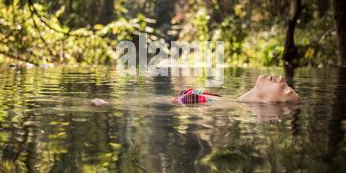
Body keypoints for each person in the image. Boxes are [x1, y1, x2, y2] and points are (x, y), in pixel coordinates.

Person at [91, 74, 300, 106]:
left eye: (287, 89)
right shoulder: (220, 100)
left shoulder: (219, 105)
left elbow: (170, 102)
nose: (282, 79)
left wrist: (112, 104)